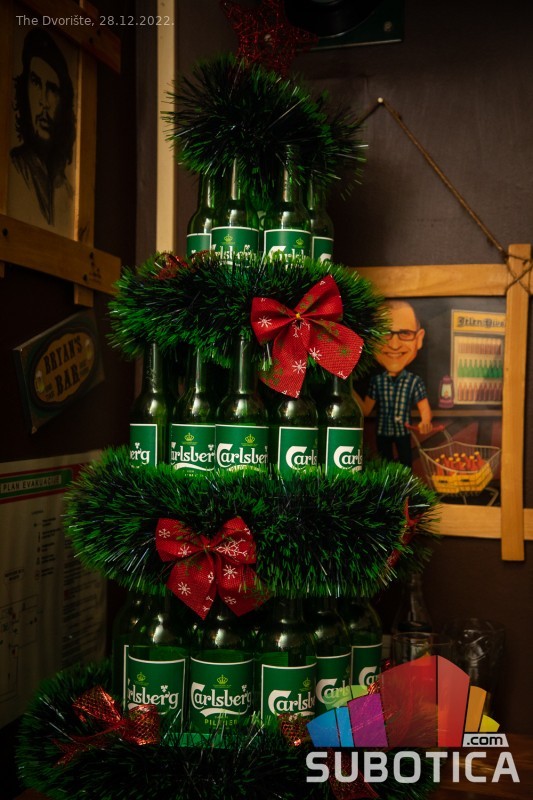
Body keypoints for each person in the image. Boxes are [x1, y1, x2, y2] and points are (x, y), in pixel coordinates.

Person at [10, 27, 76, 226]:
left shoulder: (67, 190)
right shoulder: (16, 169)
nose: (44, 102)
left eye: (52, 89)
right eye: (36, 83)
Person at [357, 300, 433, 467]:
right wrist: (347, 388)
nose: (394, 344)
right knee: (384, 466)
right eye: (384, 333)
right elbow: (366, 410)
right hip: (382, 433)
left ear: (419, 339)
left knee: (406, 464)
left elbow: (424, 410)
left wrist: (425, 422)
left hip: (403, 433)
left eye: (405, 333)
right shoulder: (377, 381)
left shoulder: (414, 381)